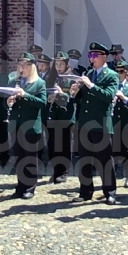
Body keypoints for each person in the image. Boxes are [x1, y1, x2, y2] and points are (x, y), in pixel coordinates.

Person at [71, 41, 120, 204]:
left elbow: (107, 96)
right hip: (85, 123)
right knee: (84, 159)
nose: (91, 59)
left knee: (104, 160)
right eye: (90, 55)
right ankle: (85, 191)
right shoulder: (89, 72)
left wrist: (90, 85)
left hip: (101, 123)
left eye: (94, 55)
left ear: (104, 57)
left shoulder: (111, 75)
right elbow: (81, 98)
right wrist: (74, 92)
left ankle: (110, 192)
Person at [8, 53, 48, 199]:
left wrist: (25, 95)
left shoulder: (39, 83)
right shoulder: (15, 81)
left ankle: (30, 187)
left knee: (30, 158)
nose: (21, 68)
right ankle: (20, 186)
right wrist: (8, 102)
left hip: (31, 127)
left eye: (24, 65)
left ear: (31, 67)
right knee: (19, 158)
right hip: (16, 125)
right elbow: (5, 101)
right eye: (19, 65)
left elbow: (42, 103)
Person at [46, 52, 76, 183]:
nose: (58, 67)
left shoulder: (72, 79)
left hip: (65, 116)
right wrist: (49, 98)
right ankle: (55, 169)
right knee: (52, 144)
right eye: (56, 64)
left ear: (66, 65)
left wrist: (62, 94)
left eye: (61, 64)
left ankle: (64, 171)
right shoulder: (50, 78)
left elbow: (73, 98)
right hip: (53, 115)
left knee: (64, 144)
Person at [111, 61, 128, 188]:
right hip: (112, 123)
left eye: (121, 72)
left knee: (126, 150)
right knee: (113, 150)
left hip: (126, 123)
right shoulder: (111, 85)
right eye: (116, 71)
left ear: (126, 73)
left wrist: (124, 98)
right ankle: (113, 176)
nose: (118, 74)